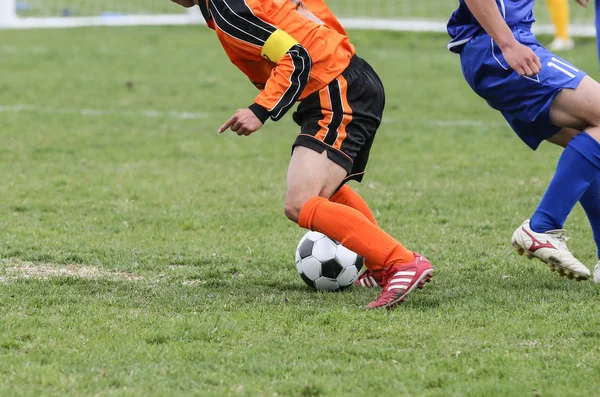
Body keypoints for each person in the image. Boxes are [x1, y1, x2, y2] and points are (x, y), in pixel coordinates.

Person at [170, 0, 434, 308]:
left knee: (299, 202)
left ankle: (400, 262)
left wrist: (260, 110)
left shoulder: (230, 10)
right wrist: (336, 54)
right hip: (343, 78)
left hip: (336, 90)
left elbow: (296, 57)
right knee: (326, 190)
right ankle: (380, 266)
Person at [447, 0, 600, 282]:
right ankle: (543, 225)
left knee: (588, 141)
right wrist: (507, 43)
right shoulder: (503, 43)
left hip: (503, 43)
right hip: (497, 46)